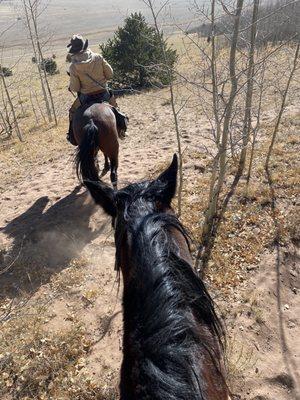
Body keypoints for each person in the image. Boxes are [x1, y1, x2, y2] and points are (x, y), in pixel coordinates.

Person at [66, 35, 128, 145]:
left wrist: (71, 86)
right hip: (103, 93)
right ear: (84, 46)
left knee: (72, 112)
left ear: (73, 50)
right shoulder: (98, 57)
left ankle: (72, 136)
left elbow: (75, 88)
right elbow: (110, 74)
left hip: (85, 97)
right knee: (115, 108)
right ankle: (121, 130)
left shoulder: (73, 67)